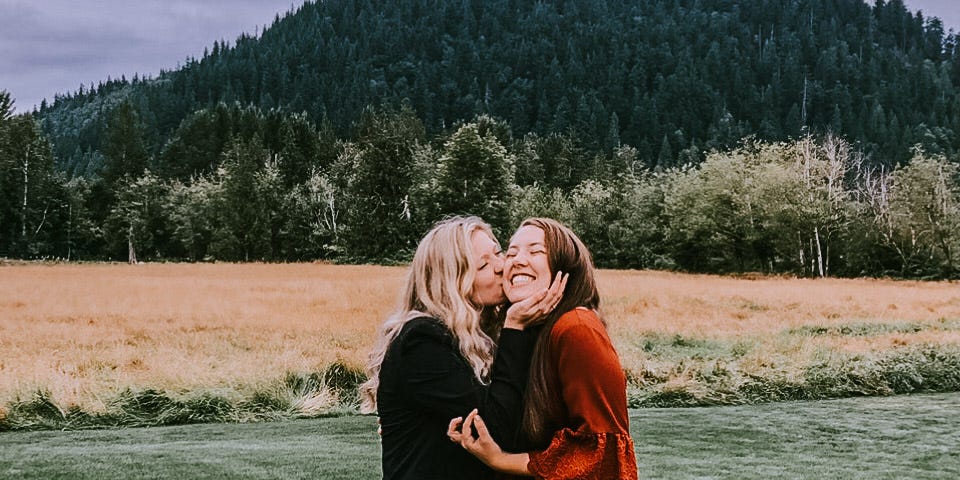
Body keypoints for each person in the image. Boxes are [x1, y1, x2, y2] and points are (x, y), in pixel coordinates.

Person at [359, 216, 567, 480]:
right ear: (453, 283)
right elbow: (496, 428)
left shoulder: (476, 336)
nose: (502, 267)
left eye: (497, 253)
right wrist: (515, 327)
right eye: (483, 265)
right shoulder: (421, 341)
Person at [448, 217, 638, 479]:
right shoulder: (526, 330)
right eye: (511, 252)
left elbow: (598, 454)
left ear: (565, 268)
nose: (517, 260)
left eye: (536, 251)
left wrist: (500, 460)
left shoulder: (576, 328)